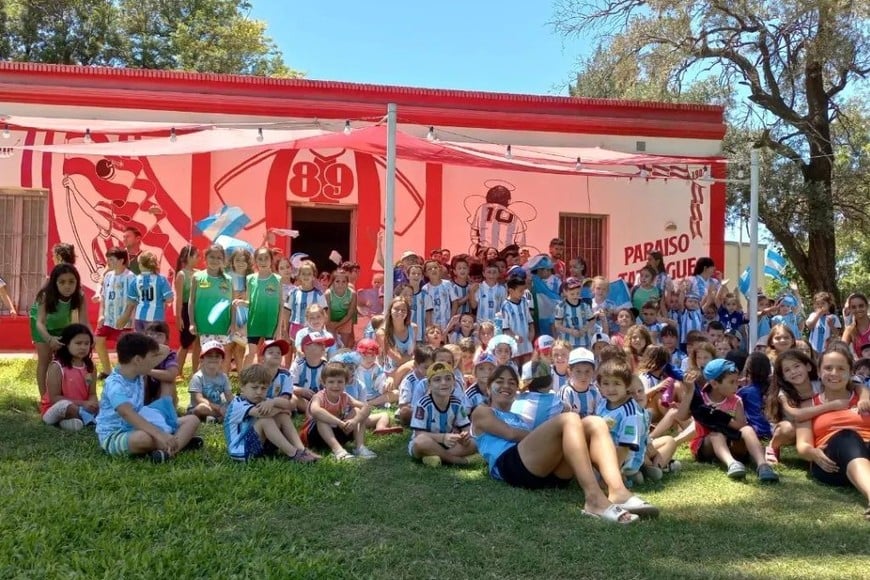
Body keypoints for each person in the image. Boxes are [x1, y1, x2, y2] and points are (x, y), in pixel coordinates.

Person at [471, 365, 658, 523]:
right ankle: (593, 498)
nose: (506, 385)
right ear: (488, 388)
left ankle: (618, 491)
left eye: (512, 382)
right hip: (511, 467)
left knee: (595, 422)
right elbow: (510, 434)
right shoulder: (483, 412)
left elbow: (532, 439)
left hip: (546, 473)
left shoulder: (518, 417)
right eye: (500, 381)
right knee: (569, 419)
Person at [95, 333, 202, 463]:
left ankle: (171, 447)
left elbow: (165, 350)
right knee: (143, 438)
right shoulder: (115, 384)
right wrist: (159, 433)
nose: (155, 361)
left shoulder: (138, 371)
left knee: (192, 420)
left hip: (143, 421)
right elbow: (126, 413)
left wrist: (145, 342)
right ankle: (177, 442)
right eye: (152, 357)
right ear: (138, 360)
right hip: (116, 433)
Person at [795, 347, 870, 520]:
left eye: (841, 368)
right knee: (847, 436)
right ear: (819, 372)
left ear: (851, 372)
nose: (834, 373)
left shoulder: (864, 396)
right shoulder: (808, 405)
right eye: (828, 368)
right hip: (832, 462)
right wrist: (813, 453)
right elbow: (802, 445)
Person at [677, 359, 779, 482]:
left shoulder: (736, 401)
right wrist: (689, 392)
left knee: (747, 429)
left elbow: (741, 425)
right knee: (716, 435)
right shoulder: (700, 398)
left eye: (737, 381)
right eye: (732, 382)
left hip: (732, 443)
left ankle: (763, 465)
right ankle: (732, 464)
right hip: (706, 446)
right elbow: (681, 416)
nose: (737, 386)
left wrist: (723, 418)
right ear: (714, 384)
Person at [224, 363, 319, 463]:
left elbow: (289, 404)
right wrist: (281, 409)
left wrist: (273, 402)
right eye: (254, 387)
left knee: (282, 416)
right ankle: (294, 453)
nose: (259, 392)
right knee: (266, 420)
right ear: (242, 387)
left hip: (259, 446)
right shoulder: (237, 404)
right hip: (241, 450)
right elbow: (262, 413)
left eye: (263, 388)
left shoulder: (263, 400)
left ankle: (302, 450)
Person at [30, 264, 90, 398]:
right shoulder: (45, 295)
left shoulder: (79, 295)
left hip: (62, 324)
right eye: (62, 282)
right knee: (45, 359)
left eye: (71, 281)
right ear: (54, 283)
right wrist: (49, 339)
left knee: (63, 359)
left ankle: (59, 392)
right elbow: (40, 322)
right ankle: (44, 398)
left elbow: (84, 322)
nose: (67, 286)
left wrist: (90, 339)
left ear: (77, 282)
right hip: (41, 325)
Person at [301, 362, 376, 460]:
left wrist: (354, 421)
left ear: (346, 382)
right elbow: (315, 410)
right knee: (321, 418)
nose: (336, 385)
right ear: (324, 383)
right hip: (316, 436)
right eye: (331, 382)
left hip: (338, 432)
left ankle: (360, 447)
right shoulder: (319, 396)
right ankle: (338, 451)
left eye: (340, 382)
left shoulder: (345, 396)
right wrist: (339, 422)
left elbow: (367, 407)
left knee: (357, 411)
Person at [408, 362, 477, 466]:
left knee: (474, 443)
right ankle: (456, 460)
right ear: (429, 384)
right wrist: (442, 438)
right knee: (420, 442)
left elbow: (467, 429)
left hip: (449, 444)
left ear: (454, 382)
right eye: (437, 380)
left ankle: (436, 458)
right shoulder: (422, 404)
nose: (444, 383)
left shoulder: (457, 403)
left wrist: (464, 438)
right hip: (429, 442)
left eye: (448, 378)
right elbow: (419, 434)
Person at [41, 323, 98, 431]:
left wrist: (93, 404)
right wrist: (84, 404)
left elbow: (92, 393)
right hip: (56, 408)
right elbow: (55, 399)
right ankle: (88, 418)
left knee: (107, 403)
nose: (83, 347)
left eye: (86, 343)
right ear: (67, 344)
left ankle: (72, 422)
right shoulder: (57, 367)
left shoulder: (91, 367)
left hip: (83, 407)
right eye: (78, 343)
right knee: (65, 406)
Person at [595, 358, 645, 472]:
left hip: (622, 461)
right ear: (599, 385)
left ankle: (626, 474)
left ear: (627, 386)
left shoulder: (630, 411)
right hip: (604, 453)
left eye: (617, 383)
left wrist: (612, 473)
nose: (611, 389)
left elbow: (625, 448)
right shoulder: (603, 403)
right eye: (606, 383)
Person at [94, 247, 136, 378]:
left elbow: (133, 300)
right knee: (98, 341)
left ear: (121, 260)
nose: (108, 262)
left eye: (111, 259)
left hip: (123, 320)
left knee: (123, 348)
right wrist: (101, 315)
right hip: (108, 318)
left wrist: (125, 316)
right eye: (107, 259)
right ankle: (107, 371)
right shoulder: (108, 276)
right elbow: (104, 297)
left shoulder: (131, 277)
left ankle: (123, 373)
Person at [243, 247, 286, 368]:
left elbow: (280, 305)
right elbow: (249, 302)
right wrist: (240, 303)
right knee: (249, 354)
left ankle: (268, 382)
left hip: (270, 324)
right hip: (253, 324)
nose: (263, 261)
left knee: (269, 357)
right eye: (259, 259)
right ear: (255, 261)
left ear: (271, 260)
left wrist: (278, 329)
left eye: (266, 258)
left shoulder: (277, 279)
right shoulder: (250, 279)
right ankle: (244, 382)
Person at [188, 244, 233, 346]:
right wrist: (192, 322)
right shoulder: (197, 277)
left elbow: (232, 305)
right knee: (207, 355)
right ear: (205, 257)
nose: (215, 260)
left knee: (221, 356)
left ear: (223, 260)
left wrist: (232, 324)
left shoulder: (228, 280)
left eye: (219, 258)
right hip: (204, 325)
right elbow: (192, 301)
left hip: (223, 325)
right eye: (212, 257)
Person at [511, 361, 568, 428]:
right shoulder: (554, 401)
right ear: (550, 380)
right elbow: (568, 408)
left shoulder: (517, 398)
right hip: (540, 437)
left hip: (516, 435)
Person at [187, 341, 233, 422]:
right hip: (200, 407)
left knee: (232, 405)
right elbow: (199, 399)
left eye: (217, 356)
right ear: (202, 359)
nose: (213, 359)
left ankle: (215, 418)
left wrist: (234, 405)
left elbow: (229, 395)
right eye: (209, 356)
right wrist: (218, 408)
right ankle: (222, 417)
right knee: (202, 408)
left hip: (218, 407)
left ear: (222, 360)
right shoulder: (198, 377)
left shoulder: (223, 377)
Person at [291, 331, 335, 413]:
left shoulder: (326, 366)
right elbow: (289, 386)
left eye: (324, 344)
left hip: (322, 401)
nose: (323, 346)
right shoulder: (298, 365)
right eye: (319, 344)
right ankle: (316, 411)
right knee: (292, 397)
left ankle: (316, 411)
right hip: (304, 401)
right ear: (306, 348)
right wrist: (301, 390)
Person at [174, 245, 199, 377]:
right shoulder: (181, 274)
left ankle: (195, 371)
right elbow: (178, 298)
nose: (199, 258)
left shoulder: (199, 273)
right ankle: (178, 371)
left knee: (197, 342)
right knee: (185, 343)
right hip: (185, 310)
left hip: (197, 310)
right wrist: (179, 317)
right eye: (196, 256)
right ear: (188, 257)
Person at [142, 321, 180, 406]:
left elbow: (171, 375)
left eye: (159, 335)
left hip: (164, 393)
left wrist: (146, 370)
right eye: (151, 334)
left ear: (166, 340)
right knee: (141, 378)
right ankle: (141, 407)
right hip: (146, 395)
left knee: (167, 381)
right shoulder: (141, 354)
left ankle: (163, 411)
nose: (155, 337)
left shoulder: (170, 354)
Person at [554, 277, 595, 348]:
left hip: (584, 341)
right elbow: (557, 324)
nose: (575, 296)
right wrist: (571, 331)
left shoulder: (585, 305)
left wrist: (584, 329)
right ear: (565, 292)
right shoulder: (561, 307)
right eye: (572, 294)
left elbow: (592, 320)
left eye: (578, 293)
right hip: (567, 343)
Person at [325, 267, 357, 348]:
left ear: (347, 283)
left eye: (344, 282)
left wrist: (338, 325)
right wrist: (331, 326)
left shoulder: (352, 294)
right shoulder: (328, 294)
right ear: (332, 282)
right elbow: (327, 313)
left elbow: (350, 313)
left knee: (343, 346)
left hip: (345, 321)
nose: (340, 284)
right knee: (331, 345)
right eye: (337, 281)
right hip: (330, 321)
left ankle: (342, 359)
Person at [842, 293, 870, 358]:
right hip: (863, 367)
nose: (858, 309)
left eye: (861, 306)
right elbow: (841, 350)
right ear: (850, 309)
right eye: (854, 307)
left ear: (867, 306)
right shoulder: (850, 330)